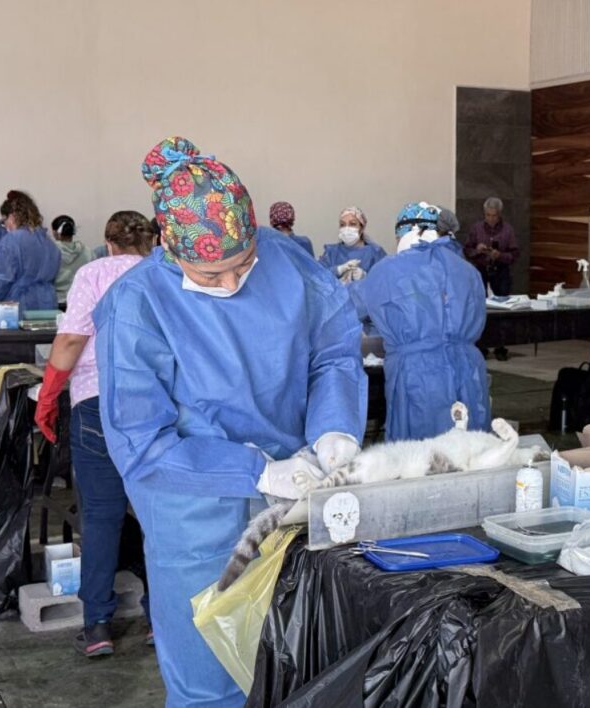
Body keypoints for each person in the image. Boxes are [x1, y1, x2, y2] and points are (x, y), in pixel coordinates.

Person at [94, 137, 367, 706]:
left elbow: (333, 354)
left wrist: (334, 428)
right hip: (196, 515)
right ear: (168, 245)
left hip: (295, 502)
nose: (230, 284)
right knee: (210, 680)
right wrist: (254, 469)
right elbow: (140, 442)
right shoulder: (137, 304)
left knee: (303, 662)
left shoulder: (289, 261)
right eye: (209, 274)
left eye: (242, 266)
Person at [35, 211, 154, 657]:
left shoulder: (95, 273)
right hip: (155, 406)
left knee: (102, 517)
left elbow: (70, 341)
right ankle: (161, 618)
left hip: (96, 404)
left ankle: (98, 625)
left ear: (109, 243)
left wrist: (49, 396)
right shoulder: (166, 271)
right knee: (157, 514)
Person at [351, 202, 489, 441]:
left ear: (408, 231)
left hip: (418, 375)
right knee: (471, 446)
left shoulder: (390, 270)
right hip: (468, 369)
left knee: (420, 451)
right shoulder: (467, 270)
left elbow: (348, 305)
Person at [464, 197, 520, 360]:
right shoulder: (476, 228)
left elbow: (515, 254)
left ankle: (500, 347)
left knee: (502, 309)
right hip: (481, 270)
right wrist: (477, 250)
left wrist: (500, 255)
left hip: (501, 271)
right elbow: (466, 250)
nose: (490, 219)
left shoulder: (508, 230)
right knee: (480, 308)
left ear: (499, 214)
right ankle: (481, 345)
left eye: (494, 215)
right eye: (488, 215)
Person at [0, 191, 61, 312]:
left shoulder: (10, 240)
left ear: (11, 216)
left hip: (19, 304)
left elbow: (3, 281)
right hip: (48, 303)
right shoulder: (49, 242)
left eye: (4, 221)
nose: (5, 225)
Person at [318, 206, 386, 283]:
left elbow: (386, 281)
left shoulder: (375, 253)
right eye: (342, 224)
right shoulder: (331, 252)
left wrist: (366, 277)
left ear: (362, 228)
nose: (347, 228)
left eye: (352, 224)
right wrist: (338, 270)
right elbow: (317, 275)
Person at [51, 215, 93, 302]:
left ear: (54, 232)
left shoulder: (48, 252)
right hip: (80, 301)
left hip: (54, 301)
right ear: (73, 231)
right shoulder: (88, 252)